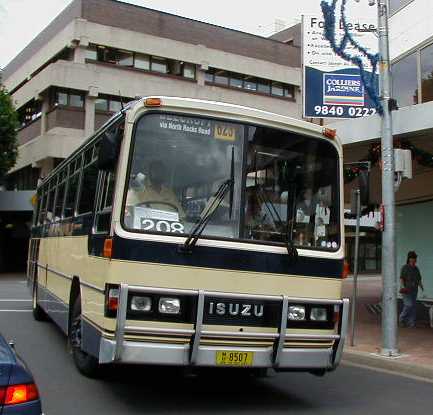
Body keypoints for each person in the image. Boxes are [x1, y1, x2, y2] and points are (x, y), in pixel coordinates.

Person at [399, 251, 424, 328]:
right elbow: (402, 278)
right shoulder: (405, 267)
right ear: (409, 259)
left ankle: (411, 323)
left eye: (415, 258)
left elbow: (419, 279)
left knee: (413, 306)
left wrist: (421, 287)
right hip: (406, 290)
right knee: (408, 305)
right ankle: (401, 319)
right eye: (413, 258)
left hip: (414, 290)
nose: (414, 260)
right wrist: (402, 286)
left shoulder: (416, 269)